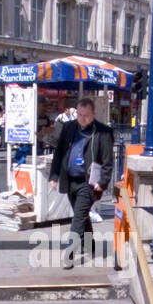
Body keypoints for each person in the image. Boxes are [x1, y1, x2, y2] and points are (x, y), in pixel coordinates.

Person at [49, 97, 113, 264]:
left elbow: (108, 161)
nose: (82, 118)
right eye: (80, 114)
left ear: (93, 114)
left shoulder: (103, 132)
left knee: (77, 217)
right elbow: (59, 153)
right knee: (82, 215)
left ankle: (69, 255)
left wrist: (103, 181)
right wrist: (54, 176)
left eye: (86, 115)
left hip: (88, 182)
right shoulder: (69, 127)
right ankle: (91, 247)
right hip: (70, 180)